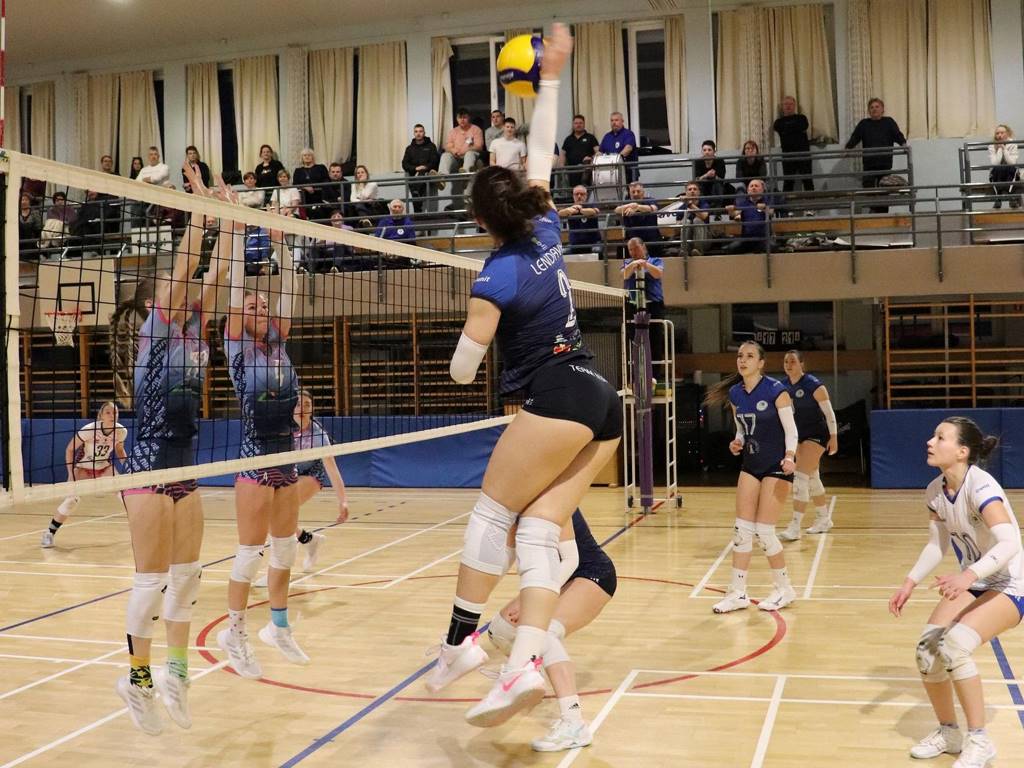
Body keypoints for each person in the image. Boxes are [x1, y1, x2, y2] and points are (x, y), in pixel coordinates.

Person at [421, 24, 621, 730]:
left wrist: (476, 320)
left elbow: (462, 371)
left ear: (481, 219)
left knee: (491, 514)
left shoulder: (494, 276)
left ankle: (456, 645)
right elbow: (542, 147)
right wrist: (552, 73)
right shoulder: (547, 230)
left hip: (557, 394)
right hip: (603, 399)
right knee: (538, 534)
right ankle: (523, 666)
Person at [114, 164, 228, 734]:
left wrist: (230, 219)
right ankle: (136, 680)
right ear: (154, 301)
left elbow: (218, 272)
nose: (177, 289)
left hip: (185, 464)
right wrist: (199, 214)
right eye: (167, 287)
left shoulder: (194, 331)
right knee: (151, 581)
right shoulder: (154, 331)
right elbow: (186, 268)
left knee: (188, 576)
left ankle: (176, 674)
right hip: (148, 466)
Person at [889, 417, 1022, 768]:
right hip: (976, 581)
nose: (930, 442)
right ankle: (949, 732)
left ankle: (980, 740)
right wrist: (909, 582)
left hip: (1010, 583)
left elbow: (1010, 542)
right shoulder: (936, 490)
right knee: (927, 650)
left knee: (955, 645)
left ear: (962, 451)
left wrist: (968, 575)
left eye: (940, 437)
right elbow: (937, 545)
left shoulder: (982, 488)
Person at [218, 204, 308, 679]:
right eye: (252, 306)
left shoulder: (278, 339)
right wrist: (236, 237)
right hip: (255, 457)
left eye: (263, 306)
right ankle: (234, 633)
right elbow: (236, 291)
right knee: (249, 553)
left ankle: (278, 626)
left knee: (286, 548)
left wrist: (282, 242)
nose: (259, 308)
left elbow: (290, 287)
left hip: (286, 454)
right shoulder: (237, 343)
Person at [486, 509, 615, 752]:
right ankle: (527, 676)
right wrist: (469, 607)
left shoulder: (555, 499)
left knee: (543, 632)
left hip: (591, 574)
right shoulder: (516, 502)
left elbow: (570, 559)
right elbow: (507, 553)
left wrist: (531, 602)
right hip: (560, 578)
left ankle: (574, 724)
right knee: (501, 630)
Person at [703, 341, 798, 614]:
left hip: (777, 465)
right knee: (741, 531)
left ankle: (784, 589)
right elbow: (742, 430)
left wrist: (790, 456)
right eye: (740, 356)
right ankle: (737, 593)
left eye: (749, 356)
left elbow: (791, 431)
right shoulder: (735, 393)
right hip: (751, 464)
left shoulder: (776, 391)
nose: (743, 360)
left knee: (765, 532)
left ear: (761, 363)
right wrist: (738, 442)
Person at [254, 390, 350, 587]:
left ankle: (278, 572)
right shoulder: (281, 429)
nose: (302, 409)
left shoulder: (318, 435)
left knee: (279, 513)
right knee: (273, 515)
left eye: (307, 405)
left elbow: (332, 469)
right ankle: (309, 540)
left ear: (312, 409)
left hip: (311, 474)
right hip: (288, 473)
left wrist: (343, 501)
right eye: (298, 404)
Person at [41, 402, 128, 548]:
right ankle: (49, 533)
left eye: (115, 412)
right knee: (71, 500)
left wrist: (129, 467)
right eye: (108, 412)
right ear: (101, 416)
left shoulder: (121, 431)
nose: (112, 415)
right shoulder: (90, 430)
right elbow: (69, 449)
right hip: (83, 468)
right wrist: (70, 474)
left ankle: (141, 527)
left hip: (104, 467)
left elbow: (119, 450)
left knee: (125, 494)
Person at [777, 350, 839, 542]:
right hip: (798, 436)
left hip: (817, 435)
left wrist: (834, 437)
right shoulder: (782, 386)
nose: (789, 365)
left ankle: (795, 526)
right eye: (786, 361)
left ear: (802, 364)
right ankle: (823, 519)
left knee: (800, 477)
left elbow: (829, 414)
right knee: (812, 477)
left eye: (793, 361)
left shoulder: (813, 384)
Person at [845, 98, 907, 214]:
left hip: (884, 164)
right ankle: (874, 210)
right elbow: (855, 137)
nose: (874, 109)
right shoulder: (864, 124)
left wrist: (904, 145)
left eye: (877, 107)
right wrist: (848, 148)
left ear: (882, 109)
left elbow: (898, 135)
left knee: (884, 191)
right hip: (869, 165)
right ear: (869, 110)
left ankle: (882, 216)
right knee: (868, 189)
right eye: (872, 107)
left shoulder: (888, 122)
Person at [440, 108, 486, 208]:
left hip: (471, 158)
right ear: (457, 119)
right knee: (445, 155)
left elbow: (479, 146)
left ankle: (465, 176)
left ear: (468, 118)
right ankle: (441, 178)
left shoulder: (476, 129)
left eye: (464, 117)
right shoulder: (453, 131)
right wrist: (454, 151)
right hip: (456, 158)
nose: (462, 120)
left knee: (469, 154)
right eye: (460, 118)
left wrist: (465, 150)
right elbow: (448, 145)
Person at [773, 96, 814, 193]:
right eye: (786, 104)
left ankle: (811, 201)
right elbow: (779, 128)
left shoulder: (802, 118)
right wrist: (794, 128)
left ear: (794, 106)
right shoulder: (778, 122)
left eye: (790, 104)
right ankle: (786, 202)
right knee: (788, 181)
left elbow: (803, 126)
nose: (788, 106)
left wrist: (786, 129)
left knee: (807, 180)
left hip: (803, 153)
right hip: (787, 154)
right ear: (782, 106)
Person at [723, 178, 775, 254]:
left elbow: (771, 212)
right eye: (751, 186)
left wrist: (764, 208)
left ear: (762, 190)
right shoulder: (744, 203)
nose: (754, 188)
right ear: (748, 190)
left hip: (763, 238)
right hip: (746, 239)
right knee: (730, 249)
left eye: (756, 186)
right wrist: (730, 210)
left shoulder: (767, 201)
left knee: (773, 247)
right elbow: (734, 214)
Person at [401, 124, 441, 214]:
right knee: (414, 186)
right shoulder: (409, 148)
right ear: (414, 133)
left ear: (424, 133)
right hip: (413, 175)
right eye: (416, 131)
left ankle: (418, 212)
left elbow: (435, 161)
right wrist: (415, 168)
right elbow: (404, 164)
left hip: (427, 174)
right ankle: (418, 214)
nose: (418, 133)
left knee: (417, 183)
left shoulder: (431, 146)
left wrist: (425, 167)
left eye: (420, 131)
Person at [615, 181, 662, 253]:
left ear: (643, 192)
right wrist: (631, 205)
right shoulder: (626, 203)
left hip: (651, 240)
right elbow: (617, 210)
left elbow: (654, 208)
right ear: (629, 193)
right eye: (633, 192)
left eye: (638, 191)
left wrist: (637, 207)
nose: (636, 194)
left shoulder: (650, 200)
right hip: (633, 241)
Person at [557, 185, 602, 256]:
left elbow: (594, 211)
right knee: (563, 252)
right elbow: (559, 213)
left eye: (582, 194)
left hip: (593, 243)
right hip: (574, 244)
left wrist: (580, 209)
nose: (579, 196)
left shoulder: (591, 205)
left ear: (586, 196)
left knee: (597, 250)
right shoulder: (570, 208)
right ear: (573, 196)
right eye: (576, 194)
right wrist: (570, 209)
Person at [561, 115, 600, 190]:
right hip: (572, 171)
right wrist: (562, 169)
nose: (578, 125)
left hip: (587, 171)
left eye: (580, 123)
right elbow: (562, 155)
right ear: (573, 125)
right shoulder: (568, 139)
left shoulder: (591, 137)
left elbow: (598, 153)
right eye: (576, 123)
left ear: (584, 124)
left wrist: (591, 158)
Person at [599, 111, 638, 182]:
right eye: (612, 120)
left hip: (628, 172)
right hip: (610, 174)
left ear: (622, 121)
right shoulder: (607, 136)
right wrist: (594, 158)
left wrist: (615, 160)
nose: (614, 122)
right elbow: (600, 152)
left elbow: (628, 149)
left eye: (616, 120)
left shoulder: (628, 134)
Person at [987, 124, 1019, 209]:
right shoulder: (991, 145)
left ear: (1007, 133)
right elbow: (995, 163)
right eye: (997, 133)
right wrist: (1000, 149)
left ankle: (1010, 197)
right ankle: (998, 198)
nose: (999, 135)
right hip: (997, 173)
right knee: (997, 168)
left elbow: (1012, 162)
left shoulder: (1013, 144)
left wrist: (1004, 149)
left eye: (1002, 133)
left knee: (1011, 168)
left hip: (1010, 171)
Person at [675, 182, 711, 256]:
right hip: (689, 240)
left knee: (697, 220)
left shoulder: (704, 203)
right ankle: (684, 250)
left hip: (704, 239)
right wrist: (684, 219)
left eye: (695, 189)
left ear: (699, 192)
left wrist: (690, 205)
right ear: (686, 193)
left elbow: (704, 216)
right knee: (686, 222)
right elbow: (677, 228)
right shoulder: (681, 208)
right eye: (690, 189)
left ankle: (698, 250)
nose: (692, 191)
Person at [293, 148, 330, 220]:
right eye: (305, 155)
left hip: (320, 197)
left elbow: (326, 180)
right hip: (304, 199)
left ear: (313, 157)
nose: (307, 157)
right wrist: (305, 187)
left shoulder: (321, 168)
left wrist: (313, 187)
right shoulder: (298, 171)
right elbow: (295, 184)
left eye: (309, 155)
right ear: (302, 158)